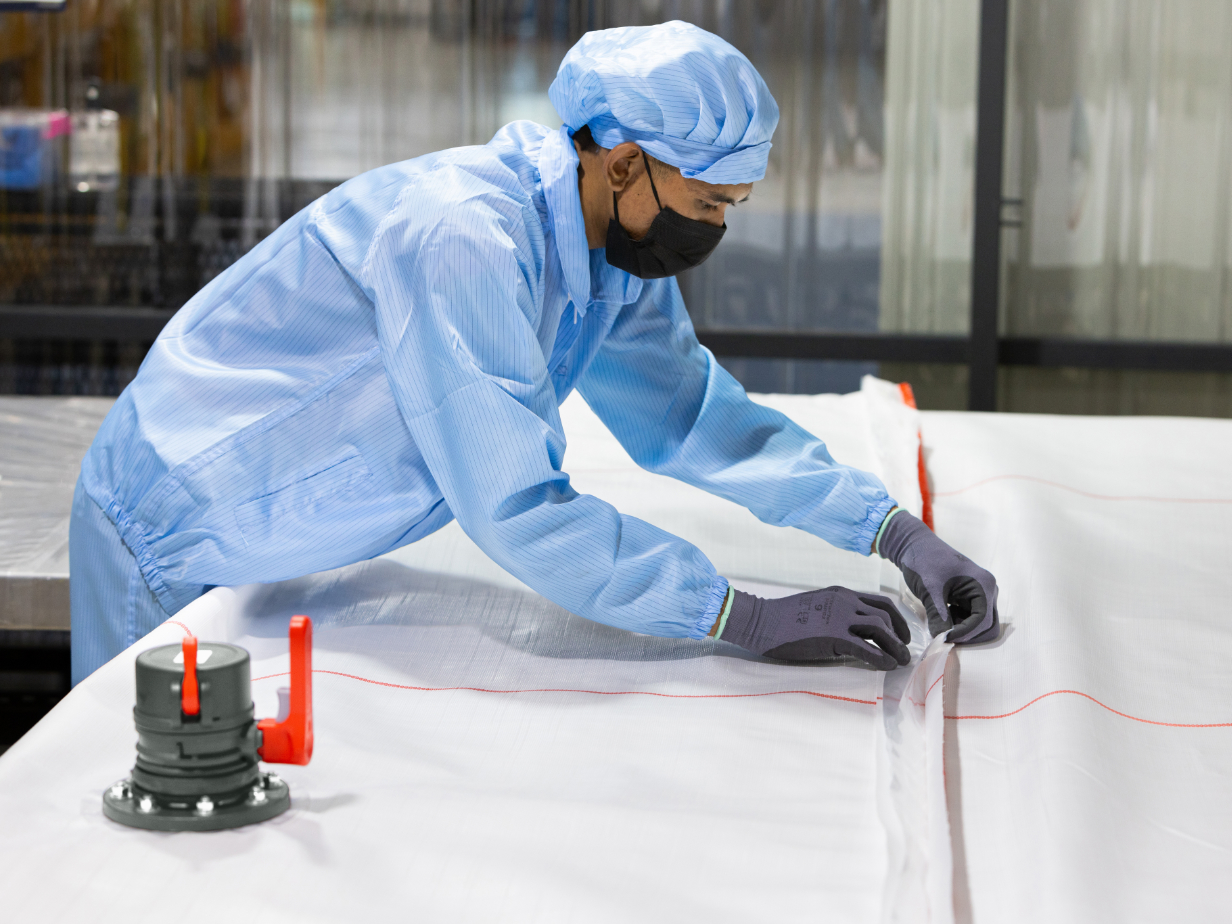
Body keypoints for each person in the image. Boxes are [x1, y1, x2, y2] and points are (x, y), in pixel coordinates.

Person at [69, 22, 998, 684]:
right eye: (709, 202)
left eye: (732, 207)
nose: (716, 228)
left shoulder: (610, 253)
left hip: (274, 534)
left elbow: (690, 418)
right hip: (172, 522)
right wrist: (738, 615)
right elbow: (516, 506)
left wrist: (892, 531)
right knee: (139, 801)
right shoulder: (465, 235)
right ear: (624, 163)